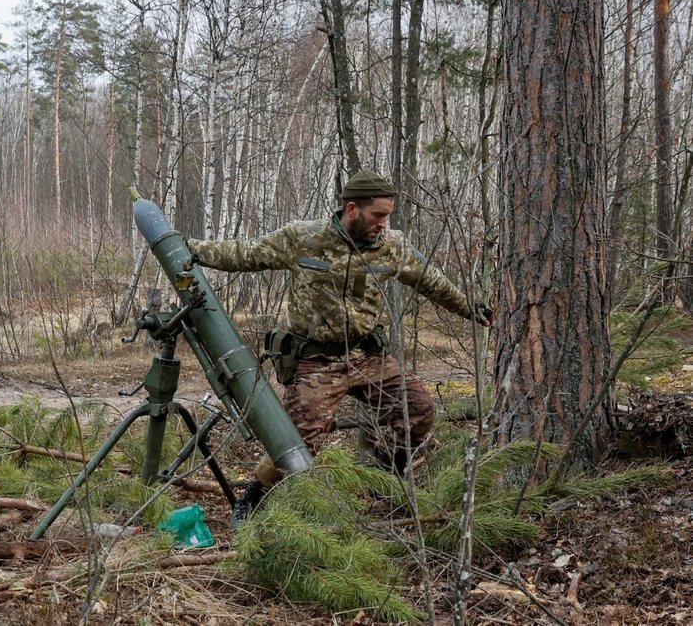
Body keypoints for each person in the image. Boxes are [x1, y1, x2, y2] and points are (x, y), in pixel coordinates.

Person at [186, 170, 492, 525]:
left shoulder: (393, 247)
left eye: (388, 216)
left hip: (368, 357)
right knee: (295, 440)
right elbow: (244, 254)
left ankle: (384, 475)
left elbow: (432, 281)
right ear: (352, 209)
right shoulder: (304, 239)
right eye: (378, 215)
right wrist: (188, 249)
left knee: (419, 409)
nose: (384, 223)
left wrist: (471, 308)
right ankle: (254, 496)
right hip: (315, 362)